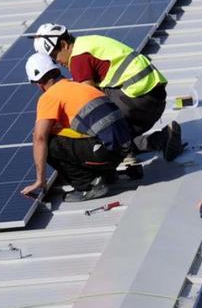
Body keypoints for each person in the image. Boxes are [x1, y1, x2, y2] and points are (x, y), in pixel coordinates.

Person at [26, 23, 183, 161]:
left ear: (64, 44)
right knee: (116, 138)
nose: (57, 63)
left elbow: (88, 99)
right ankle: (163, 139)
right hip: (155, 97)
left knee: (98, 124)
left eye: (54, 57)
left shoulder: (78, 59)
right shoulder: (89, 42)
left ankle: (126, 152)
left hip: (136, 101)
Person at [20, 53, 134, 201]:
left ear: (38, 82)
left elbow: (39, 137)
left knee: (49, 142)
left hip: (107, 154)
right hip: (123, 150)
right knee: (65, 131)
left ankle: (87, 186)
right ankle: (106, 174)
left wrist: (40, 180)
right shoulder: (78, 86)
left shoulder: (50, 96)